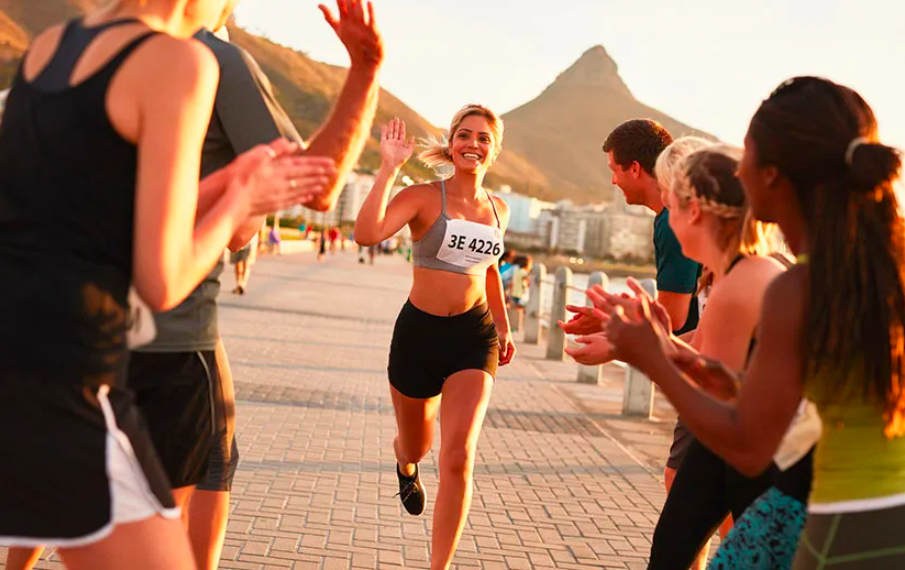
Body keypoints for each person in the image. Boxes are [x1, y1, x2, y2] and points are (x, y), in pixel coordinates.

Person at [4, 1, 382, 569]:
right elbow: (163, 280)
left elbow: (82, 222)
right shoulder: (183, 62)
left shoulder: (48, 49)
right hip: (80, 379)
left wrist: (218, 187)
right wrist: (238, 202)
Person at [604, 76, 905, 569]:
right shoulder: (881, 268)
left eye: (744, 156)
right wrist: (671, 350)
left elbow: (747, 444)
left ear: (771, 174)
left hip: (830, 527)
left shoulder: (796, 286)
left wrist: (652, 356)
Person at [355, 109, 515, 570]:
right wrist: (389, 169)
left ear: (493, 148)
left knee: (459, 455)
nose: (473, 143)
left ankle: (438, 566)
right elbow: (366, 234)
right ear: (451, 143)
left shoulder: (498, 209)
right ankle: (405, 465)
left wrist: (503, 326)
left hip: (473, 336)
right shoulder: (424, 197)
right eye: (464, 135)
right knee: (418, 446)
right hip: (419, 336)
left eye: (483, 137)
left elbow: (488, 272)